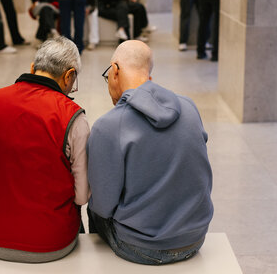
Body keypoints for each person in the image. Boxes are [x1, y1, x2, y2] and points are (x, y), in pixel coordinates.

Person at [87, 40, 214, 265]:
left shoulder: (108, 126)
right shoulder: (189, 107)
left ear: (114, 71)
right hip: (194, 238)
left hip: (141, 247)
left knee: (93, 208)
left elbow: (103, 206)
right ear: (149, 77)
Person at [0, 36, 90, 263]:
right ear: (69, 75)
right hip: (51, 243)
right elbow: (82, 196)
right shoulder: (72, 116)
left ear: (33, 68)